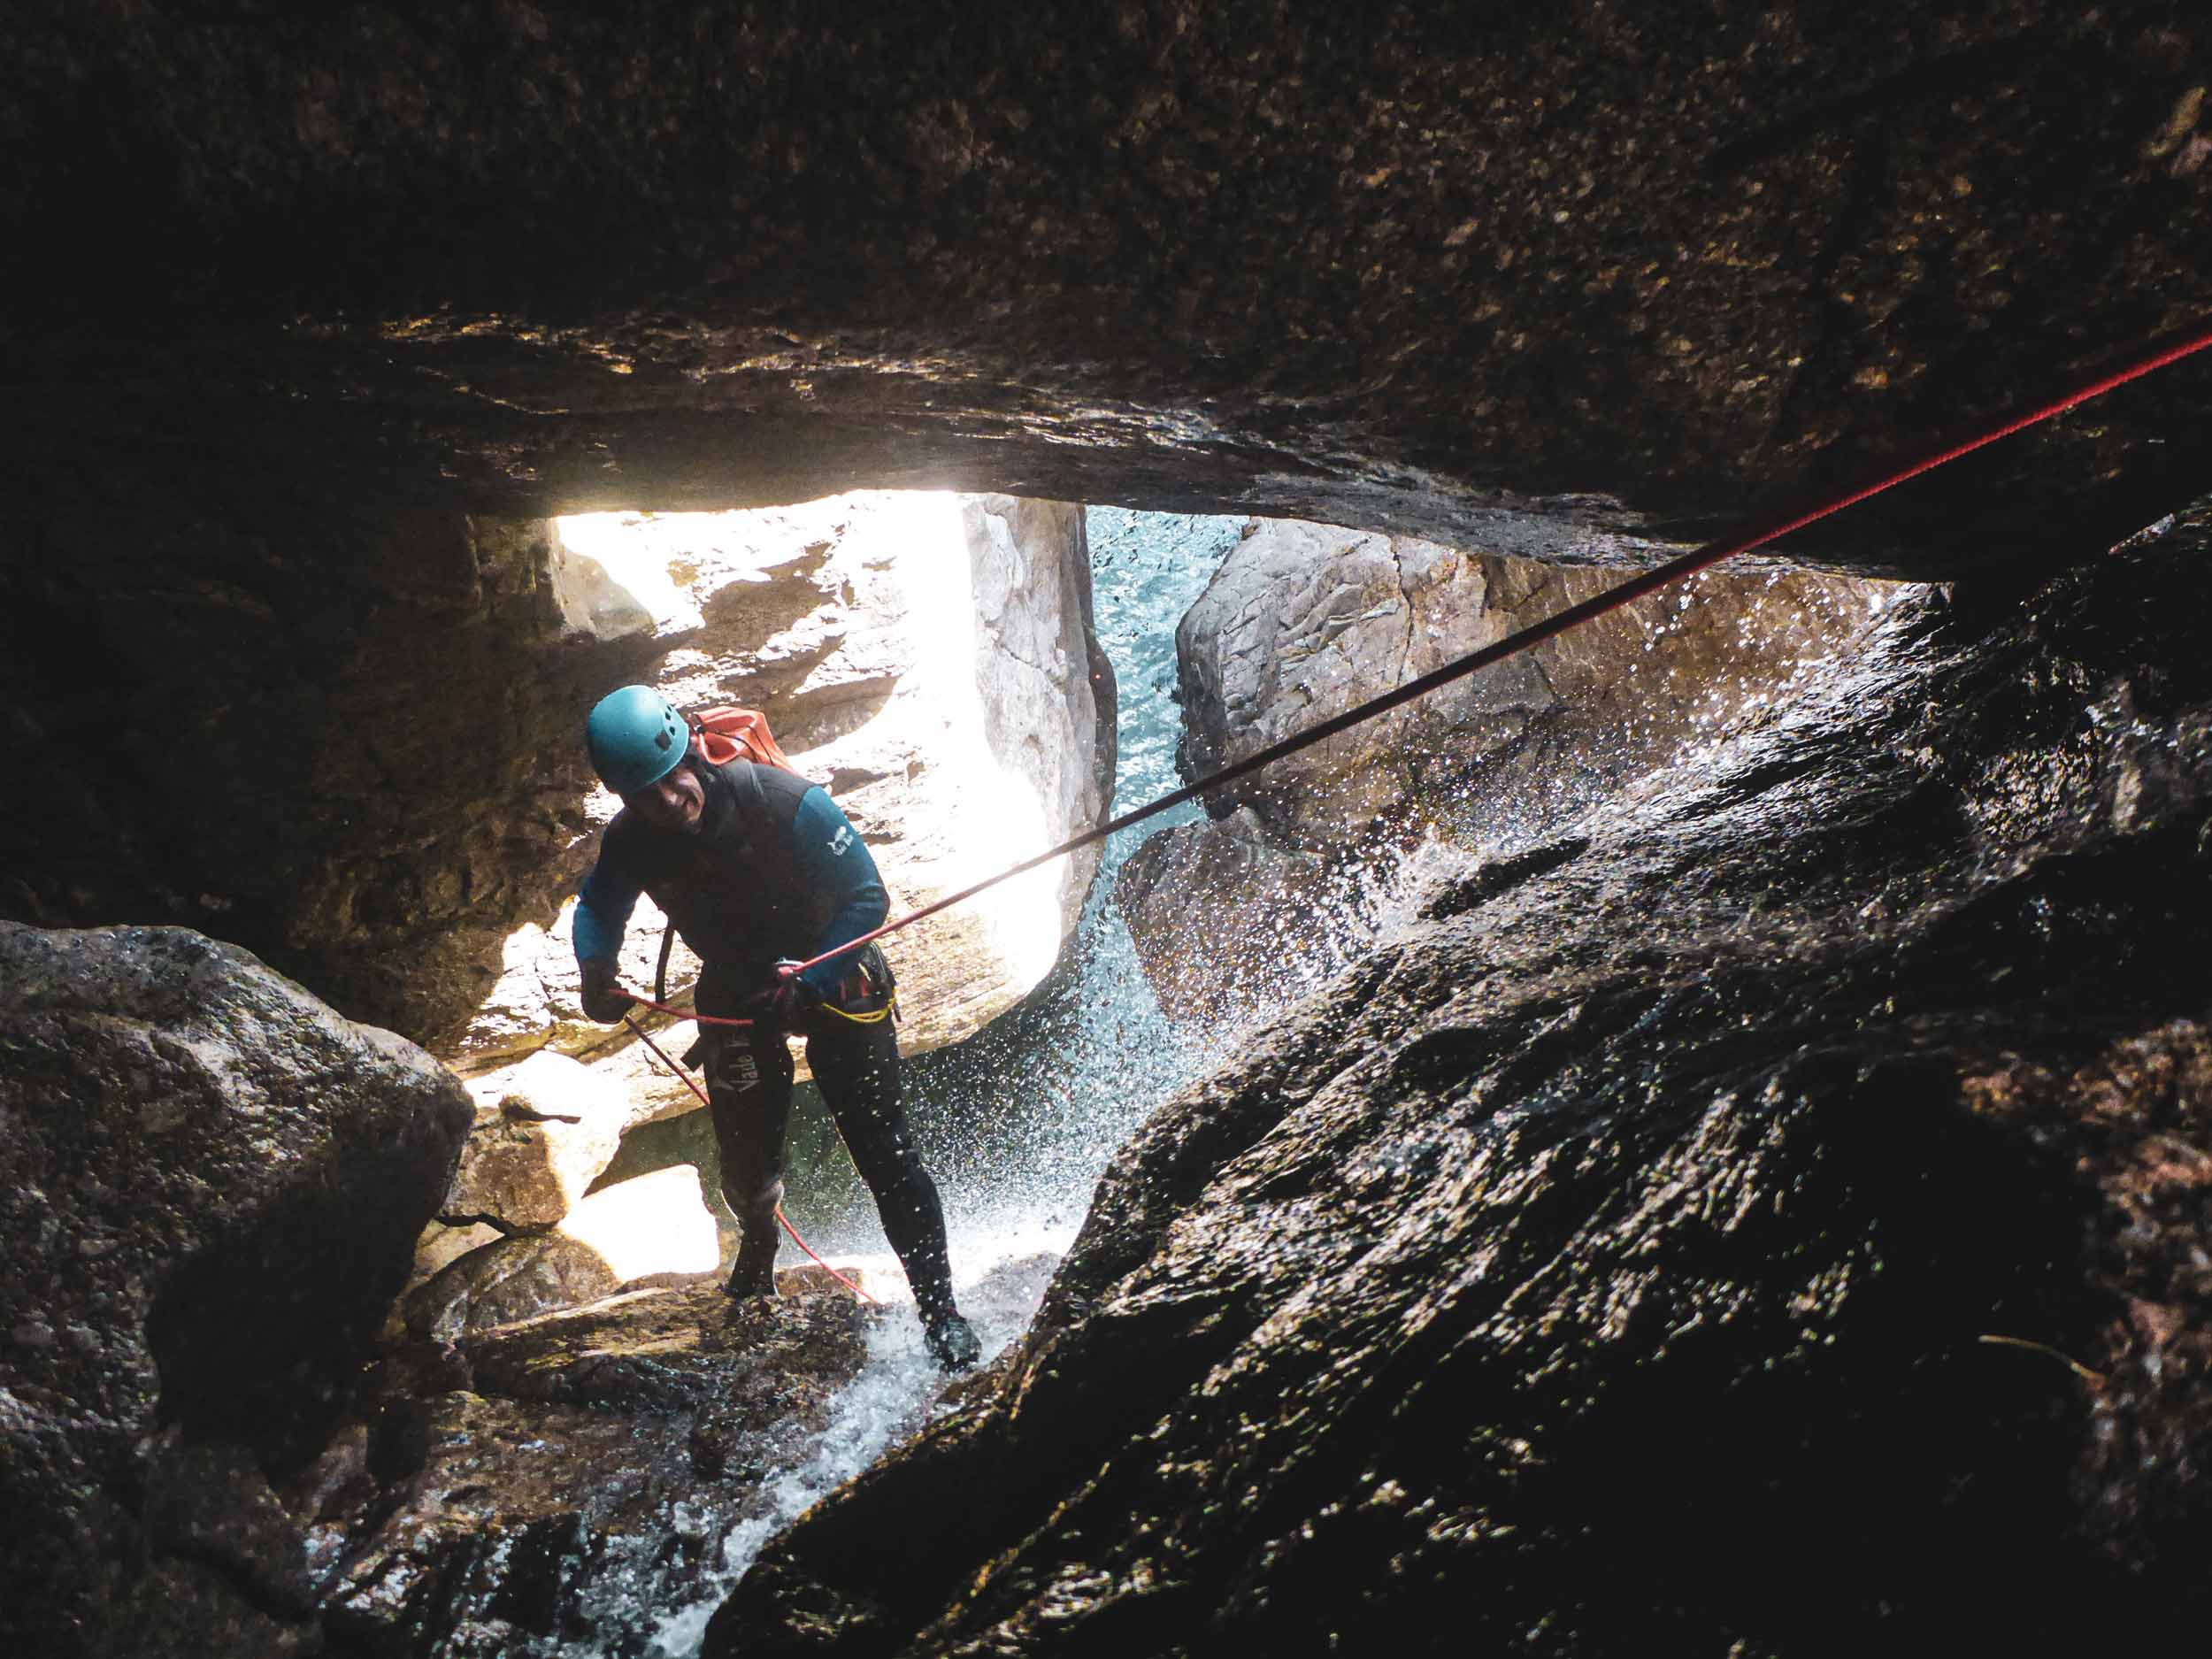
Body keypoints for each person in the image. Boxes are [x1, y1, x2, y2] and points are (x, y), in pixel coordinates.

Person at [570, 684, 981, 1371]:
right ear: (625, 797)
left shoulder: (784, 802)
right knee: (746, 1165)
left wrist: (811, 976)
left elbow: (865, 897)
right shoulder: (632, 841)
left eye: (673, 778)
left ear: (693, 748)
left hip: (835, 974)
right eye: (646, 793)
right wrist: (596, 970)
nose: (669, 801)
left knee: (888, 1157)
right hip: (737, 987)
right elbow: (599, 905)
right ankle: (759, 1242)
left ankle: (941, 1312)